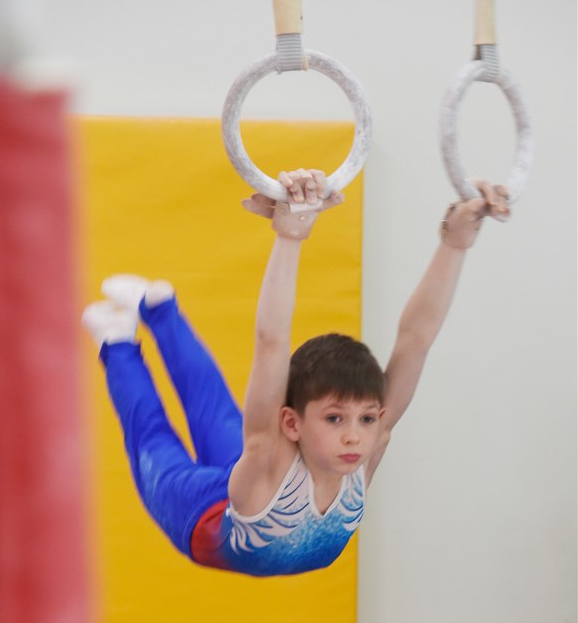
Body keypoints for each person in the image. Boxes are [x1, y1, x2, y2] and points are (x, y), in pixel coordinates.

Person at [82, 169, 509, 577]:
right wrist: (290, 236)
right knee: (151, 438)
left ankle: (158, 310)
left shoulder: (368, 445)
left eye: (366, 418)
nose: (355, 436)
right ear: (291, 423)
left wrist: (455, 242)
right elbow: (271, 341)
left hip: (246, 480)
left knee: (212, 410)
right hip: (196, 513)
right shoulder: (267, 455)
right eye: (334, 418)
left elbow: (416, 338)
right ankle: (118, 342)